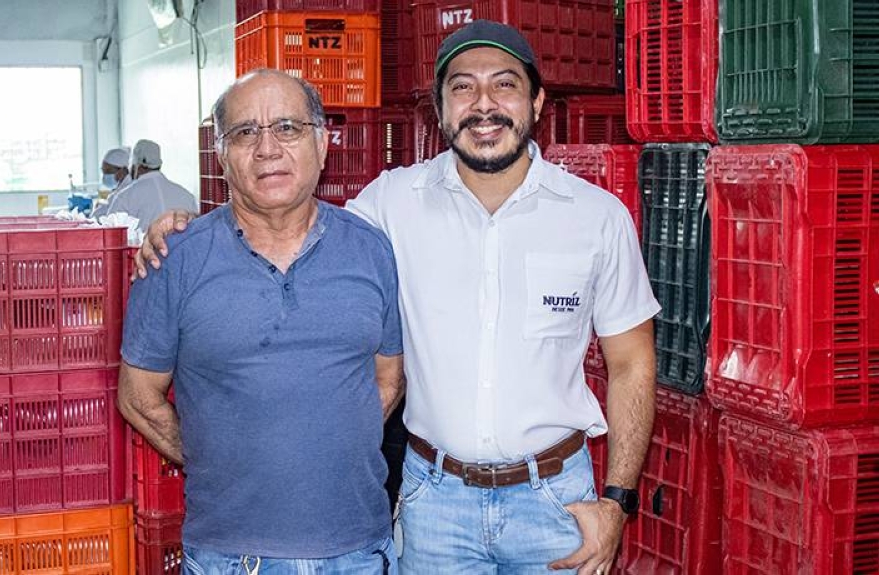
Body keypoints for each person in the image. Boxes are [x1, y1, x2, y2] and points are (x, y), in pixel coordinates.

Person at [136, 20, 659, 575]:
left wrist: (617, 502)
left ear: (537, 102)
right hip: (434, 505)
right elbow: (287, 219)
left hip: (556, 503)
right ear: (440, 110)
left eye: (505, 84)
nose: (484, 104)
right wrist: (189, 228)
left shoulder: (596, 217)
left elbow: (632, 364)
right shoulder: (390, 204)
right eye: (462, 87)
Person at [118, 68, 404, 575]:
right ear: (222, 155)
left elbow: (387, 381)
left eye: (288, 128)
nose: (267, 147)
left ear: (322, 143)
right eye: (245, 132)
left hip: (356, 549)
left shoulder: (370, 249)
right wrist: (219, 459)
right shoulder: (175, 257)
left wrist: (323, 448)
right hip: (229, 555)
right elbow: (138, 398)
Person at [104, 139, 196, 231]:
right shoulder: (187, 196)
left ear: (136, 165)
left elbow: (110, 232)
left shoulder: (125, 196)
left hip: (144, 245)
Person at [91, 147, 133, 217]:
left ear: (123, 170)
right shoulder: (119, 189)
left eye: (108, 171)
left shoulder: (128, 191)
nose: (105, 176)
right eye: (103, 171)